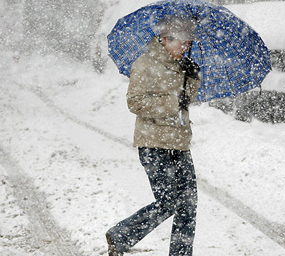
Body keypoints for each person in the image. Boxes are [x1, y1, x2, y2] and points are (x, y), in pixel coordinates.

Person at [106, 16, 201, 256]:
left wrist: (193, 78)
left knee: (188, 205)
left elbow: (186, 102)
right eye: (182, 43)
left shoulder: (183, 65)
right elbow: (135, 102)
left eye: (189, 44)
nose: (185, 48)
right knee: (168, 202)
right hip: (153, 143)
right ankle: (120, 235)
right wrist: (171, 102)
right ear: (165, 39)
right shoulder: (145, 64)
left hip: (179, 142)